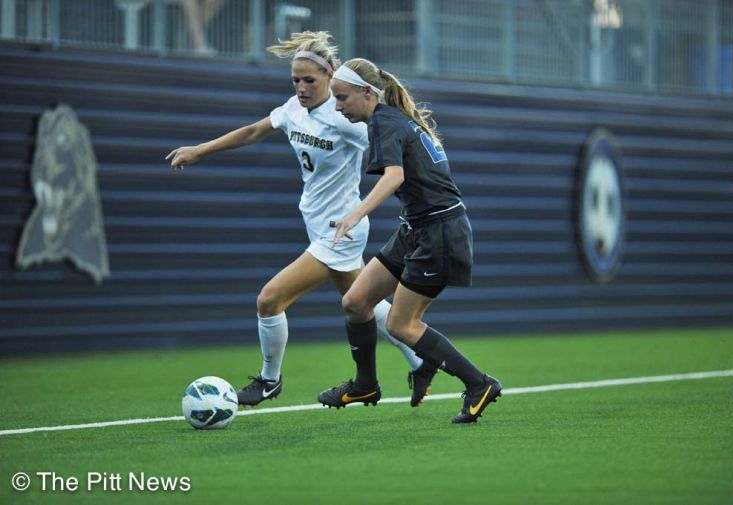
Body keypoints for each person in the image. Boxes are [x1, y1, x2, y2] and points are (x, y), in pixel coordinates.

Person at [165, 32, 438, 408]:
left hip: (340, 230)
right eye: (296, 80)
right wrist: (200, 150)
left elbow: (396, 149)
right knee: (363, 303)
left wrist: (425, 179)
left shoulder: (346, 119)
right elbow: (253, 131)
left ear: (330, 78)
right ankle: (421, 359)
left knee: (269, 299)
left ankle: (268, 380)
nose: (302, 87)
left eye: (310, 80)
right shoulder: (293, 109)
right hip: (319, 224)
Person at [317, 58, 502, 423]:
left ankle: (479, 383)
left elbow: (393, 177)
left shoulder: (385, 121)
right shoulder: (391, 119)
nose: (337, 106)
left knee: (402, 325)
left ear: (367, 93)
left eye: (342, 98)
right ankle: (366, 384)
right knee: (355, 301)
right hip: (416, 229)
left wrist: (356, 213)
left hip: (440, 233)